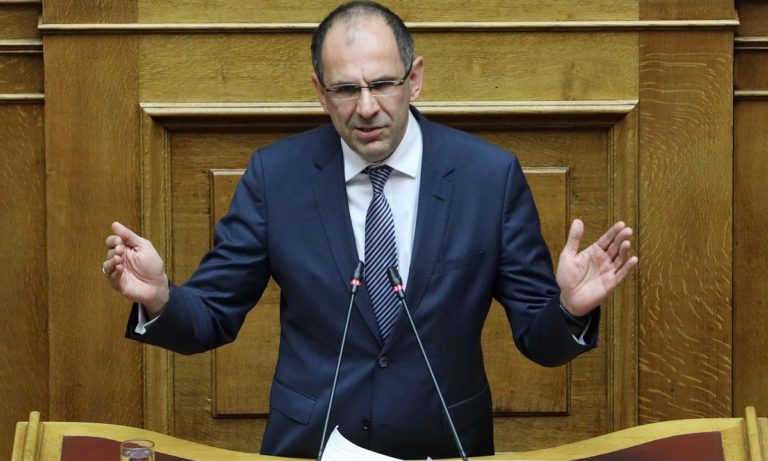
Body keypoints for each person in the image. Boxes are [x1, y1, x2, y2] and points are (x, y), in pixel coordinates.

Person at [102, 1, 638, 459]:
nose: (366, 108)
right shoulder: (276, 176)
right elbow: (213, 316)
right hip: (312, 445)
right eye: (345, 89)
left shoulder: (488, 178)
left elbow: (540, 342)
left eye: (383, 84)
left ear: (415, 78)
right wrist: (161, 297)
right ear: (320, 92)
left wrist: (569, 309)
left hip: (444, 442)